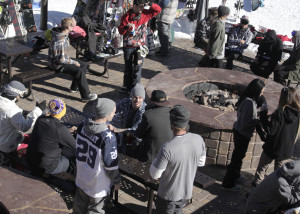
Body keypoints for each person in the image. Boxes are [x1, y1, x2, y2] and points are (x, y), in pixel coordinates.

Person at [150, 105, 206, 214]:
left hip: (167, 196)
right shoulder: (199, 139)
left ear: (171, 125)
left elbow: (155, 174)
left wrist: (155, 162)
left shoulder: (167, 148)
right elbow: (201, 162)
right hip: (186, 192)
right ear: (186, 123)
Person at [73, 98, 121, 214]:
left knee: (79, 208)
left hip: (82, 177)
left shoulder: (82, 125)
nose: (115, 114)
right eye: (113, 112)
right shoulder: (107, 137)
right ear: (106, 114)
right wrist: (117, 180)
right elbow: (110, 166)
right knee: (96, 210)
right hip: (97, 184)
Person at [222, 78, 266, 191]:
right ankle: (228, 183)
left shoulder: (247, 99)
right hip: (242, 133)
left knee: (239, 157)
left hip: (239, 131)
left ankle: (236, 176)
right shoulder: (249, 103)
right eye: (261, 92)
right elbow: (246, 122)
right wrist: (258, 120)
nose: (262, 94)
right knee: (236, 158)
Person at [252, 87, 300, 187]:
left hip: (272, 147)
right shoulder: (298, 114)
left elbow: (271, 131)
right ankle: (274, 196)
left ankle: (256, 193)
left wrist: (264, 115)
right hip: (286, 150)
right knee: (279, 176)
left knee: (261, 171)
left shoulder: (280, 112)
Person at [48, 17, 97, 102]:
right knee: (79, 71)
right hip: (57, 64)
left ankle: (74, 87)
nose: (73, 27)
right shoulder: (60, 40)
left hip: (64, 59)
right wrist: (73, 62)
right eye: (72, 26)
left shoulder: (63, 34)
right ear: (68, 27)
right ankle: (86, 95)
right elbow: (60, 60)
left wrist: (73, 62)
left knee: (84, 65)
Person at [26, 98, 77, 177]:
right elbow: (76, 146)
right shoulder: (59, 129)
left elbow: (51, 132)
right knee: (71, 160)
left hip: (30, 160)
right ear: (63, 112)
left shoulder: (41, 119)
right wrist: (68, 132)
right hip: (45, 168)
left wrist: (67, 131)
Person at [118, 0, 161, 93]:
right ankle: (126, 85)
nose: (142, 9)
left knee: (137, 67)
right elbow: (120, 31)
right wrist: (126, 27)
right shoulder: (126, 16)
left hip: (140, 46)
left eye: (143, 6)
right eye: (140, 7)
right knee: (128, 67)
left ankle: (135, 87)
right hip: (128, 46)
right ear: (134, 6)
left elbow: (158, 10)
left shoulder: (145, 14)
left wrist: (150, 4)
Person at [0, 81, 44, 166]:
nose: (22, 97)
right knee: (7, 166)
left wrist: (21, 112)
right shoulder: (12, 111)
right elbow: (25, 127)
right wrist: (38, 110)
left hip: (2, 137)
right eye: (22, 94)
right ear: (16, 94)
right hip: (6, 145)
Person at [135, 90, 173, 162]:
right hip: (169, 152)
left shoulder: (148, 115)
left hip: (152, 156)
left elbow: (139, 134)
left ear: (152, 101)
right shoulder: (172, 112)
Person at [108, 83, 147, 150]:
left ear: (143, 99)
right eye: (135, 97)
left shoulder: (144, 111)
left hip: (135, 136)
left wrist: (115, 129)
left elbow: (134, 130)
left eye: (140, 98)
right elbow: (112, 110)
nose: (137, 100)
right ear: (131, 97)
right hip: (123, 130)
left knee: (130, 147)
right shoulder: (125, 102)